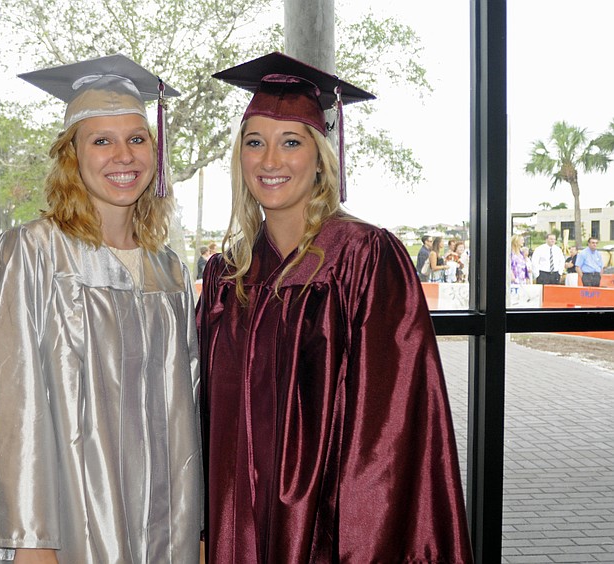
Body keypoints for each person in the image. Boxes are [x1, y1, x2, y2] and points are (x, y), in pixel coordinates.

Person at [197, 52, 472, 563]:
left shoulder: (365, 259)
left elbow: (387, 435)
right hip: (240, 532)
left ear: (322, 156)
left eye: (291, 142)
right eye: (254, 142)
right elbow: (206, 424)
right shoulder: (225, 279)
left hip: (329, 537)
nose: (270, 161)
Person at [0, 54, 202, 563]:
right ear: (71, 156)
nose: (123, 155)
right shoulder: (31, 254)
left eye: (137, 138)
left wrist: (198, 527)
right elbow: (11, 405)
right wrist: (31, 541)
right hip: (71, 519)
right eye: (101, 140)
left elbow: (186, 411)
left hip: (166, 522)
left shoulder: (169, 270)